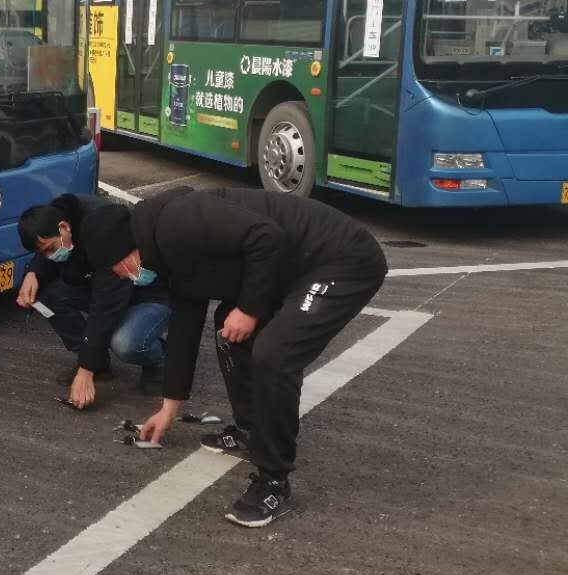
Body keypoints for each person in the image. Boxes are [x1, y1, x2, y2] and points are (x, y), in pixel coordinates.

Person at [80, 187, 387, 527]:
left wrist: (250, 309)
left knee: (275, 353)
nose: (122, 276)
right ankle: (251, 429)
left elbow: (266, 237)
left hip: (341, 259)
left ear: (124, 250)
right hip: (291, 266)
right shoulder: (164, 256)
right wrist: (169, 409)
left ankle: (274, 480)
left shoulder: (177, 222)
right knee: (227, 329)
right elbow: (185, 325)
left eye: (117, 268)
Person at [16, 194, 169, 408]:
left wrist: (86, 370)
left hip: (149, 294)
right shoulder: (56, 221)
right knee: (45, 297)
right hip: (106, 289)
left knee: (125, 343)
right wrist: (33, 273)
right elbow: (45, 253)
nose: (50, 255)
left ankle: (159, 359)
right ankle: (98, 364)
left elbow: (105, 307)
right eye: (44, 252)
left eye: (50, 249)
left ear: (64, 227)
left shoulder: (104, 231)